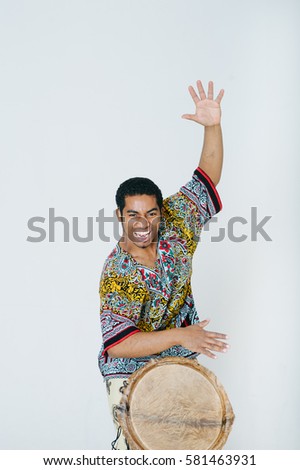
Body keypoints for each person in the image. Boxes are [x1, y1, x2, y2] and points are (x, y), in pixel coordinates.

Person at [98, 80, 229, 449]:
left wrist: (212, 126)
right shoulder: (118, 272)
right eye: (133, 214)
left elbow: (207, 176)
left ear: (161, 211)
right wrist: (182, 335)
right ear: (120, 216)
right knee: (141, 451)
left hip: (179, 357)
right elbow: (119, 344)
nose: (143, 223)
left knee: (193, 443)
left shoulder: (177, 220)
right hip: (129, 369)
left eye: (151, 213)